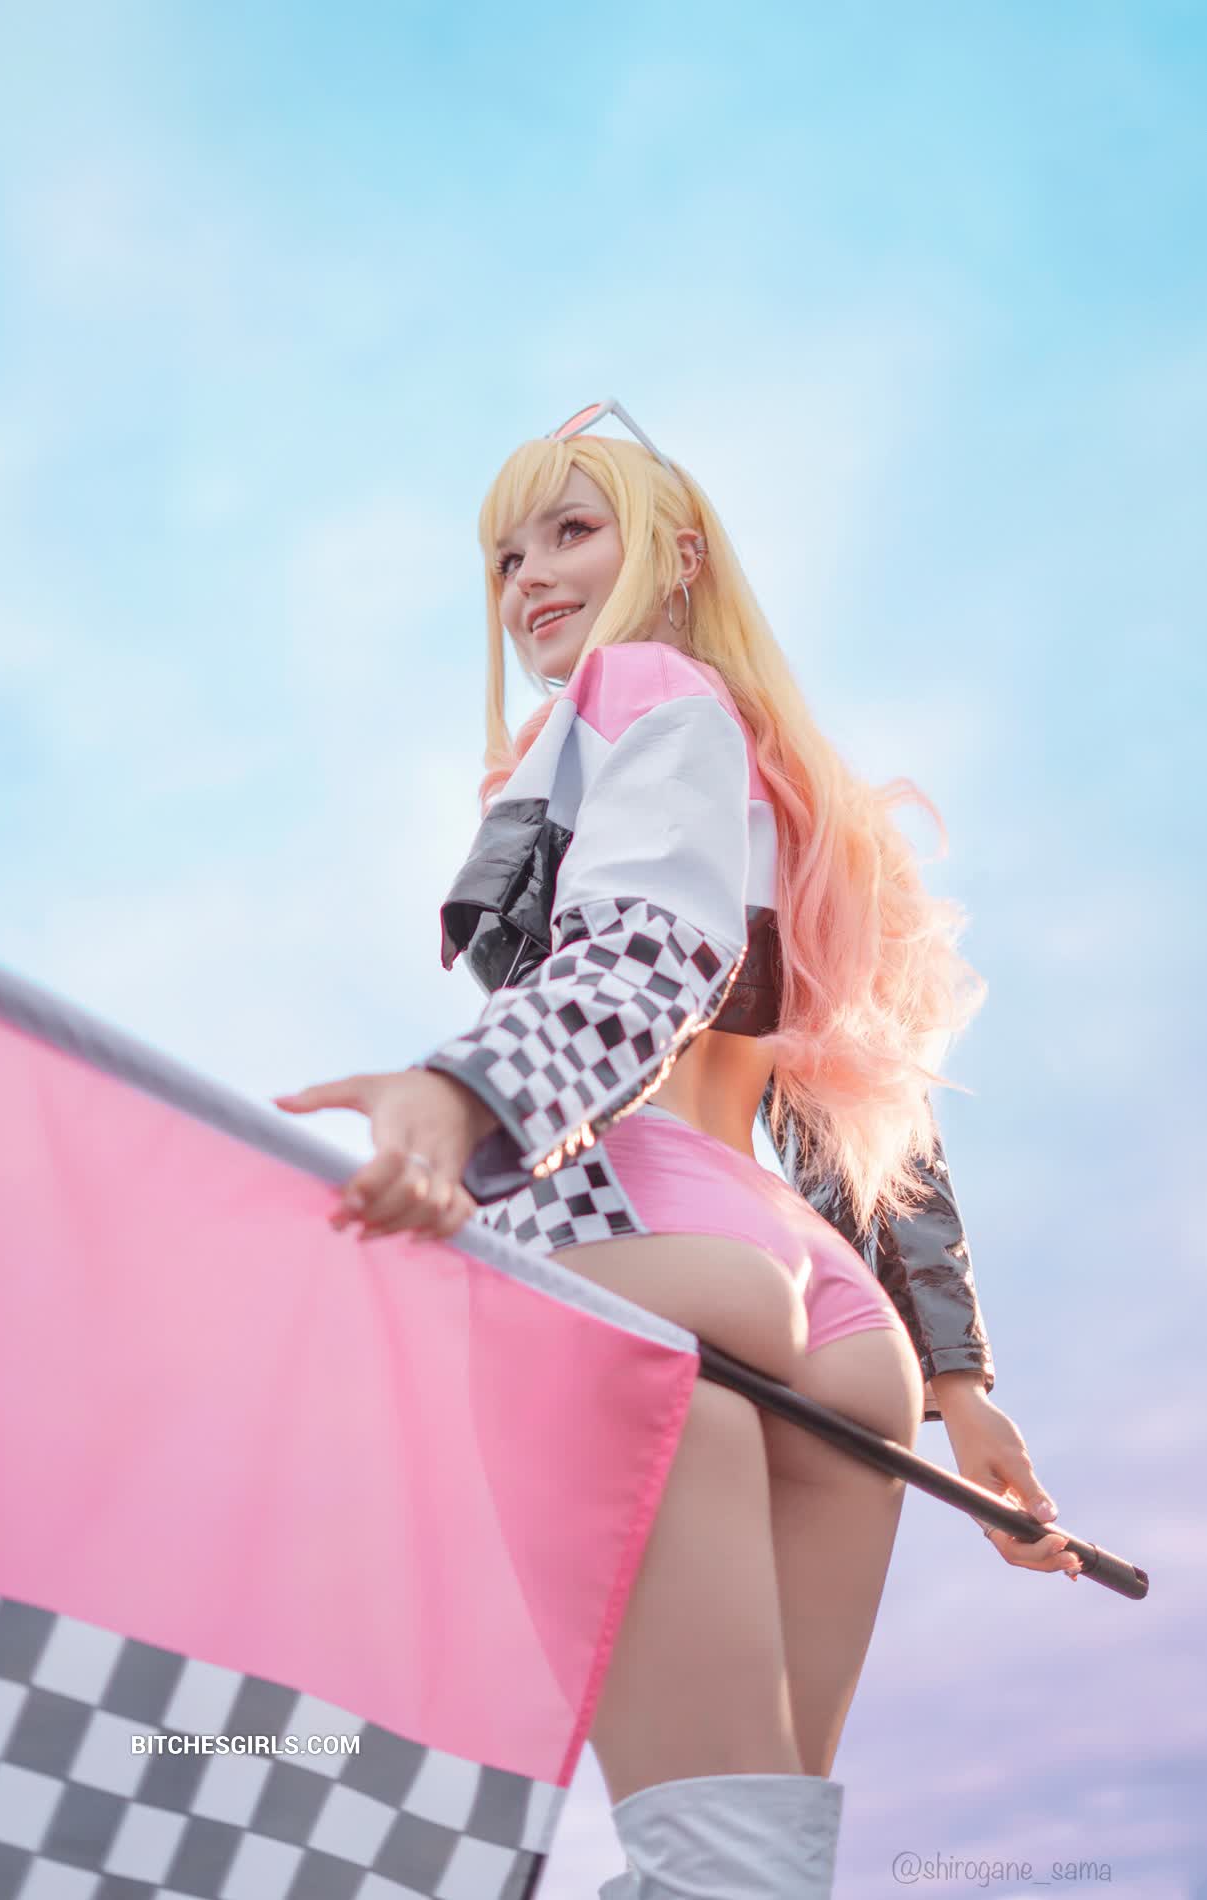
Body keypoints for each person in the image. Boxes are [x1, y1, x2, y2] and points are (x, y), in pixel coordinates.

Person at [276, 402, 1081, 1899]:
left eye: (571, 532)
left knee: (705, 1859)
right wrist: (960, 1391)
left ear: (677, 555)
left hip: (641, 1235)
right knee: (753, 1867)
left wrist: (466, 1096)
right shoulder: (803, 798)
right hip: (833, 1321)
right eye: (505, 556)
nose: (529, 577)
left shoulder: (637, 692)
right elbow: (865, 1117)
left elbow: (648, 943)